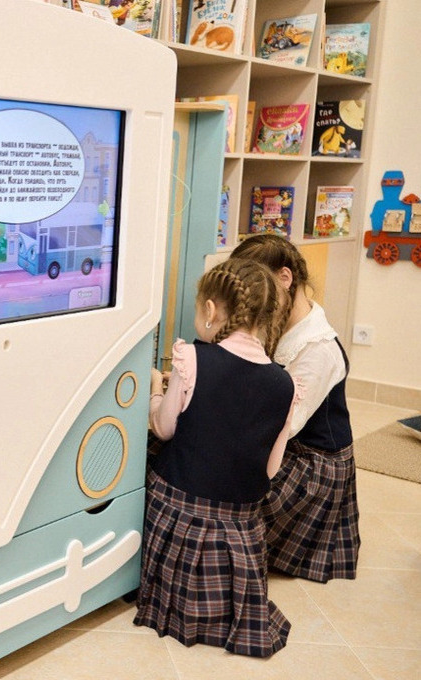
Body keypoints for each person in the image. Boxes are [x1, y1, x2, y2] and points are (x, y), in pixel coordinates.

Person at [134, 258, 298, 658]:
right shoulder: (285, 383)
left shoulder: (191, 358)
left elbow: (164, 428)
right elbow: (271, 468)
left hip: (180, 508)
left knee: (152, 451)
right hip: (241, 523)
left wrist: (156, 390)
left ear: (210, 309)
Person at [230, 233, 360, 583]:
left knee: (223, 493)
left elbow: (282, 426)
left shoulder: (318, 349)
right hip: (280, 440)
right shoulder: (277, 322)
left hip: (311, 462)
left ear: (285, 278)